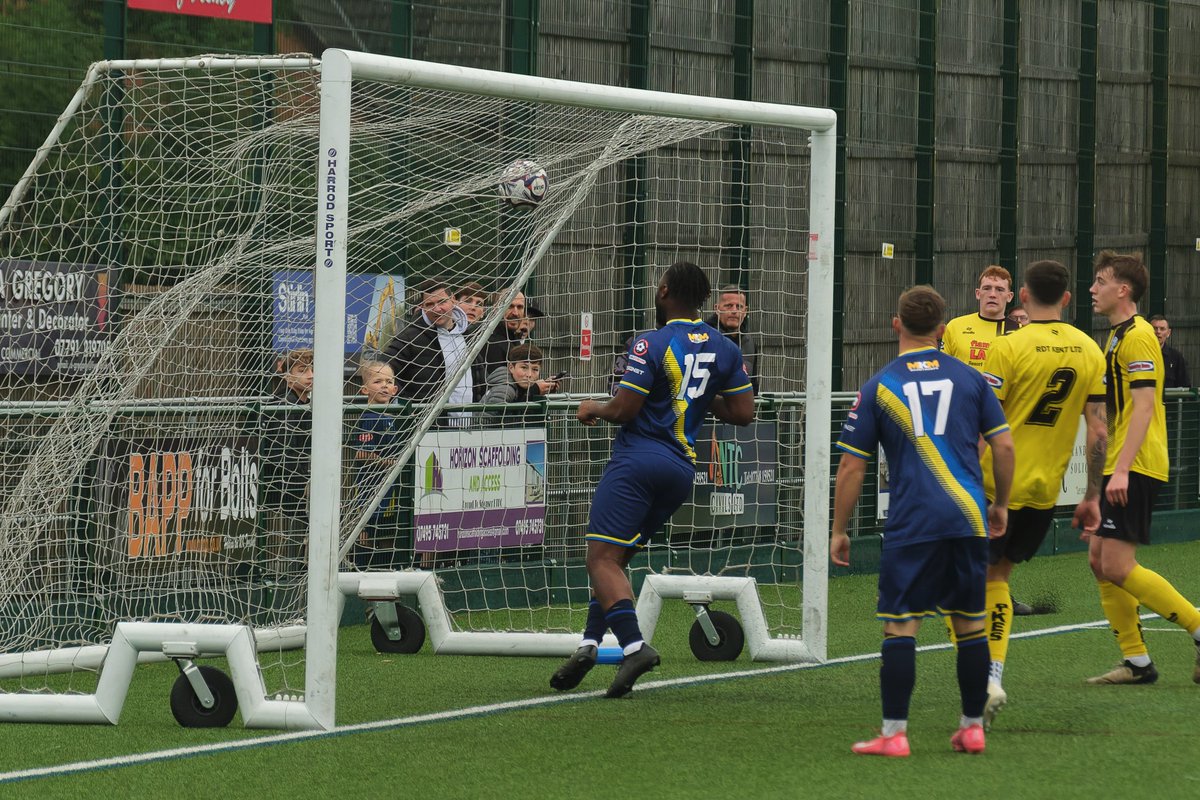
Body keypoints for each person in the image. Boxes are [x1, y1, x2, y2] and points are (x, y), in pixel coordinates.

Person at [549, 261, 755, 698]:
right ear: (703, 300)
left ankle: (634, 646)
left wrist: (591, 408)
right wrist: (697, 397)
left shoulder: (650, 342)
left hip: (638, 461)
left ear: (663, 292)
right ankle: (589, 645)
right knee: (616, 560)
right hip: (681, 469)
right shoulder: (725, 346)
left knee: (600, 559)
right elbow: (743, 413)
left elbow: (623, 409)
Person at [831, 285, 1014, 758]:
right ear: (942, 329)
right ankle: (971, 727)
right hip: (967, 517)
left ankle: (894, 735)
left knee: (901, 625)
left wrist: (839, 529)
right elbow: (1005, 445)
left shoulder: (879, 385)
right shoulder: (973, 379)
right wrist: (1000, 505)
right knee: (971, 623)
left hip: (912, 523)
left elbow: (852, 466)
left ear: (896, 325)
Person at [975, 260, 1107, 728]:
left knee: (973, 581)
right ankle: (991, 672)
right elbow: (1098, 428)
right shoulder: (1091, 350)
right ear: (1067, 299)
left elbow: (982, 421)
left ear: (1023, 295)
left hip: (993, 484)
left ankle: (983, 678)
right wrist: (1092, 493)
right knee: (999, 577)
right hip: (1043, 490)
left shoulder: (1008, 347)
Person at [1084, 251, 1200, 685]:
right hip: (1122, 463)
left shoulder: (1137, 336)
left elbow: (1146, 406)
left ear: (1123, 290)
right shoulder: (1115, 337)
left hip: (1137, 464)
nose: (1092, 289)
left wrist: (1122, 470)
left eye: (1100, 281)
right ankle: (1136, 662)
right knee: (1099, 561)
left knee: (1115, 564)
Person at [382, 277, 487, 415]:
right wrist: (408, 406)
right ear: (423, 307)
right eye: (429, 304)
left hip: (468, 425)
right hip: (427, 427)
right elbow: (382, 369)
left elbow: (479, 379)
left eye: (442, 301)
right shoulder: (409, 337)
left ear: (453, 300)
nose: (437, 309)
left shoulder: (469, 336)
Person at [351, 360, 402, 567]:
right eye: (377, 381)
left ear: (395, 388)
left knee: (389, 536)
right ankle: (362, 570)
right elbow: (361, 454)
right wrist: (389, 462)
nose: (384, 385)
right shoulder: (370, 417)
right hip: (370, 490)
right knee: (368, 532)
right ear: (364, 389)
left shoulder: (397, 414)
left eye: (389, 381)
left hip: (392, 492)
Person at [942, 265, 1020, 369]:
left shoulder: (1019, 331)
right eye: (987, 288)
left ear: (1009, 296)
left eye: (1000, 289)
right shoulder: (955, 326)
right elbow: (943, 368)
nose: (992, 294)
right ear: (978, 294)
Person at [481, 343, 561, 416]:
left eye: (535, 369)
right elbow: (486, 421)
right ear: (511, 367)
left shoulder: (517, 386)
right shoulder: (506, 389)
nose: (529, 375)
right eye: (524, 367)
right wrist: (535, 390)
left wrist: (538, 391)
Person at [705, 285, 758, 392]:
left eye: (739, 307)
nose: (734, 311)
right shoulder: (704, 337)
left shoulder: (750, 342)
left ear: (745, 311)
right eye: (729, 306)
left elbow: (753, 385)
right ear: (717, 309)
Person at [1149, 314, 1190, 389]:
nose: (1158, 332)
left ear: (1168, 333)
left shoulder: (1176, 357)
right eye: (1154, 328)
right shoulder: (1140, 354)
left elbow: (1185, 386)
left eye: (1162, 329)